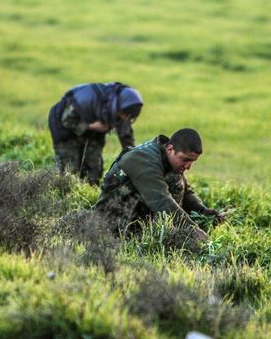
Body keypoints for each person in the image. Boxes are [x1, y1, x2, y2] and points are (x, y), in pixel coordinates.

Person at [94, 128, 223, 242]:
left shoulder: (167, 158)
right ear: (170, 149)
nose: (188, 167)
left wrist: (202, 211)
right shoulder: (144, 161)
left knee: (176, 181)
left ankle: (161, 234)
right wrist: (193, 230)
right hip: (110, 224)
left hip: (137, 217)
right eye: (185, 160)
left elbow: (186, 192)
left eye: (192, 161)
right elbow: (162, 200)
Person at [48, 82, 143, 185]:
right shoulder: (86, 100)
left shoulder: (121, 112)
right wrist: (91, 126)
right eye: (125, 115)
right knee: (69, 171)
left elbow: (127, 139)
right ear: (121, 107)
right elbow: (67, 121)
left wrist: (133, 162)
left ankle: (90, 194)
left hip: (94, 132)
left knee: (94, 171)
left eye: (129, 117)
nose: (125, 119)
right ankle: (64, 194)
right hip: (66, 127)